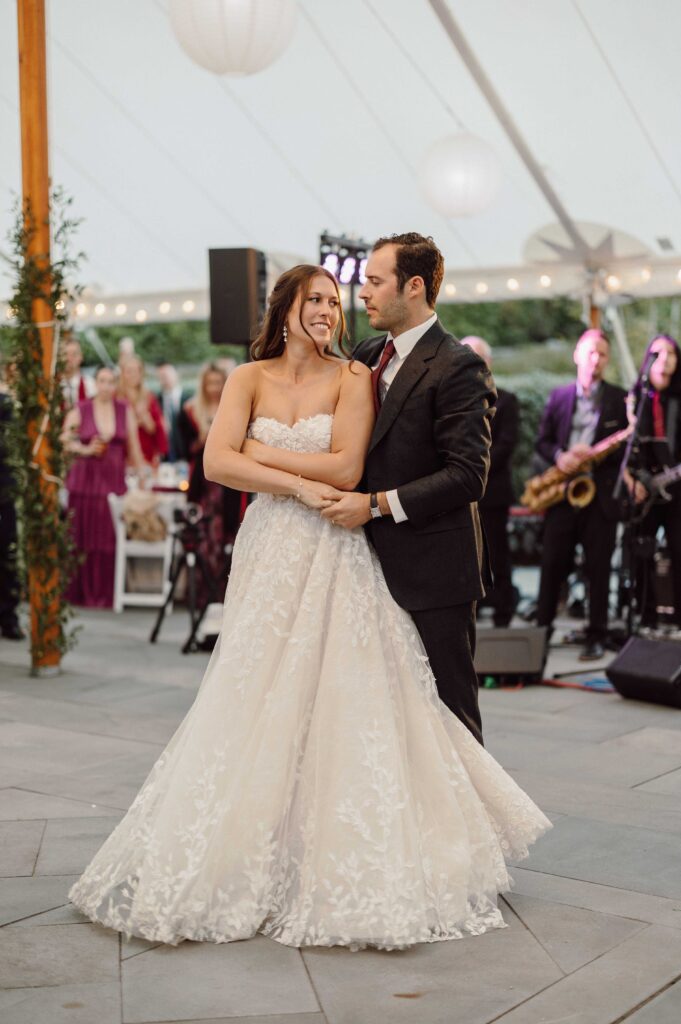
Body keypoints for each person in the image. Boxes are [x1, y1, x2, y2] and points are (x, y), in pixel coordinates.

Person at [69, 262, 549, 951]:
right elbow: (214, 465)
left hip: (332, 546)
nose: (329, 309)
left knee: (340, 693)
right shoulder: (247, 377)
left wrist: (257, 455)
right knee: (253, 687)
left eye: (335, 300)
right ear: (285, 307)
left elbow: (346, 469)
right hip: (269, 547)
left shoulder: (352, 377)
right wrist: (287, 479)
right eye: (315, 299)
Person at [313, 233, 495, 744]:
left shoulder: (459, 365)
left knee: (450, 714)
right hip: (363, 566)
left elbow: (467, 475)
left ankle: (471, 824)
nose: (362, 292)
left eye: (375, 281)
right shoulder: (369, 352)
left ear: (413, 286)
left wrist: (373, 507)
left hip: (434, 571)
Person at [534, 328, 629, 660]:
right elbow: (542, 440)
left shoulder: (620, 399)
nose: (596, 359)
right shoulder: (559, 396)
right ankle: (540, 633)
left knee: (598, 568)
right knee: (551, 565)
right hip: (563, 491)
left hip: (598, 496)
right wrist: (561, 456)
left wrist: (595, 455)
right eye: (590, 352)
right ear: (577, 355)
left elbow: (624, 449)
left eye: (602, 354)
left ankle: (597, 635)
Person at [62, 366, 145, 608]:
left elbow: (135, 446)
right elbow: (64, 439)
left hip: (113, 482)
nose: (106, 386)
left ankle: (107, 593)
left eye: (111, 381)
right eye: (102, 381)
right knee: (81, 536)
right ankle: (79, 593)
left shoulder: (124, 409)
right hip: (85, 481)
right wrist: (85, 449)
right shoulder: (82, 408)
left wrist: (141, 476)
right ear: (95, 383)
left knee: (109, 538)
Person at [624, 334, 681, 637]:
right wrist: (632, 479)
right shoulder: (635, 398)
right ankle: (645, 616)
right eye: (658, 353)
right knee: (640, 550)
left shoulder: (680, 399)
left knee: (679, 549)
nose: (665, 359)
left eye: (671, 353)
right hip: (643, 488)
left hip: (677, 487)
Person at [461, 335, 519, 627]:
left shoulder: (507, 400)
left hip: (493, 493)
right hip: (460, 494)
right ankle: (476, 606)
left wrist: (470, 467)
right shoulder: (453, 400)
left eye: (479, 358)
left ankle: (503, 610)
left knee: (497, 554)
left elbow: (505, 445)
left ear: (489, 363)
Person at [179, 362, 241, 592]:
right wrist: (202, 441)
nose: (214, 387)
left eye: (218, 382)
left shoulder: (233, 408)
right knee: (203, 532)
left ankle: (223, 589)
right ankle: (202, 589)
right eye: (210, 383)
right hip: (202, 482)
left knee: (227, 531)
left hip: (227, 483)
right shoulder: (189, 411)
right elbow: (184, 448)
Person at [0, 372, 24, 639]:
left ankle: (8, 617)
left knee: (6, 552)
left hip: (2, 491)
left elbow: (9, 447)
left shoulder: (4, 405)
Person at [118, 356, 168, 468]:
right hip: (124, 455)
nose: (133, 375)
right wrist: (135, 422)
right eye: (129, 371)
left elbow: (156, 428)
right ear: (122, 374)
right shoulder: (116, 398)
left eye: (136, 371)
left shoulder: (149, 397)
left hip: (147, 454)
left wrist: (145, 417)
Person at [156, 361, 192, 463]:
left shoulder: (189, 399)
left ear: (177, 375)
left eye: (168, 375)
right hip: (165, 456)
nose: (165, 379)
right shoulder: (156, 401)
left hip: (186, 454)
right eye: (162, 376)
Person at [61, 335, 96, 410]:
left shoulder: (91, 386)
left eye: (74, 354)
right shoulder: (53, 387)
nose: (69, 358)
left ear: (81, 357)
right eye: (65, 354)